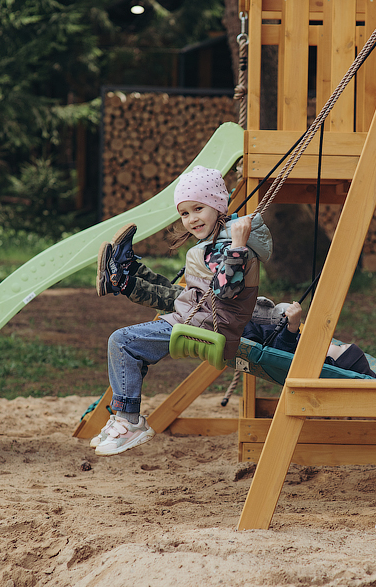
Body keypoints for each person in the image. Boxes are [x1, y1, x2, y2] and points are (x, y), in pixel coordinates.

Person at [90, 165, 272, 456]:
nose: (191, 219)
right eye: (185, 213)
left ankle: (128, 421)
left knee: (121, 342)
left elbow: (226, 291)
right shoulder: (215, 243)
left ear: (217, 205)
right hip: (199, 315)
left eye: (198, 208)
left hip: (208, 325)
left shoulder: (231, 247)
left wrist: (238, 246)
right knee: (170, 300)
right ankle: (125, 275)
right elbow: (197, 295)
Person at [243, 297, 376, 378]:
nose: (332, 343)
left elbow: (281, 355)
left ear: (334, 362)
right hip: (252, 322)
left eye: (340, 347)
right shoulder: (310, 351)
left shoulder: (309, 362)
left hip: (247, 330)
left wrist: (292, 327)